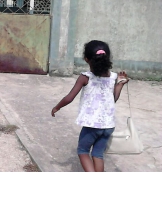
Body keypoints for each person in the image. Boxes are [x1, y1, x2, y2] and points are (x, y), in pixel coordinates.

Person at [51, 40, 129, 172]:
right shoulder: (114, 77)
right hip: (108, 126)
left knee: (82, 151)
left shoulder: (85, 77)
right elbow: (113, 99)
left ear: (87, 59)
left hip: (92, 125)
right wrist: (120, 84)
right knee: (98, 154)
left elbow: (70, 97)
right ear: (107, 57)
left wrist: (57, 107)